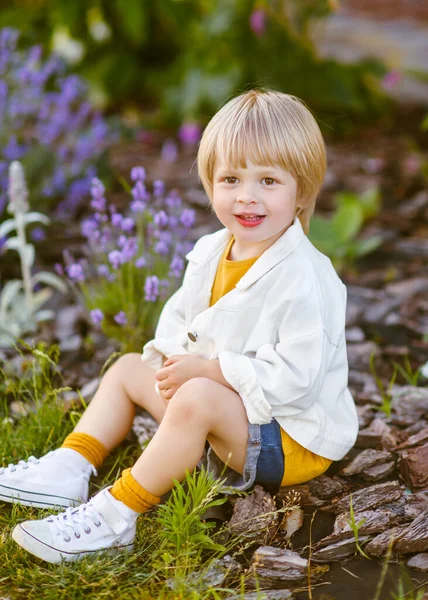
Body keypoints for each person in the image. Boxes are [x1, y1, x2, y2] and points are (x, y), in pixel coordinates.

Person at [1, 88, 358, 564]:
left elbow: (297, 381)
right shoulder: (211, 251)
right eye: (230, 178)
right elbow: (179, 326)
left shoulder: (307, 278)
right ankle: (70, 465)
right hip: (224, 411)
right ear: (210, 184)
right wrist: (174, 366)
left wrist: (208, 372)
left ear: (302, 190)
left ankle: (115, 515)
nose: (246, 197)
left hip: (288, 438)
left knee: (197, 397)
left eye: (268, 181)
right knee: (129, 367)